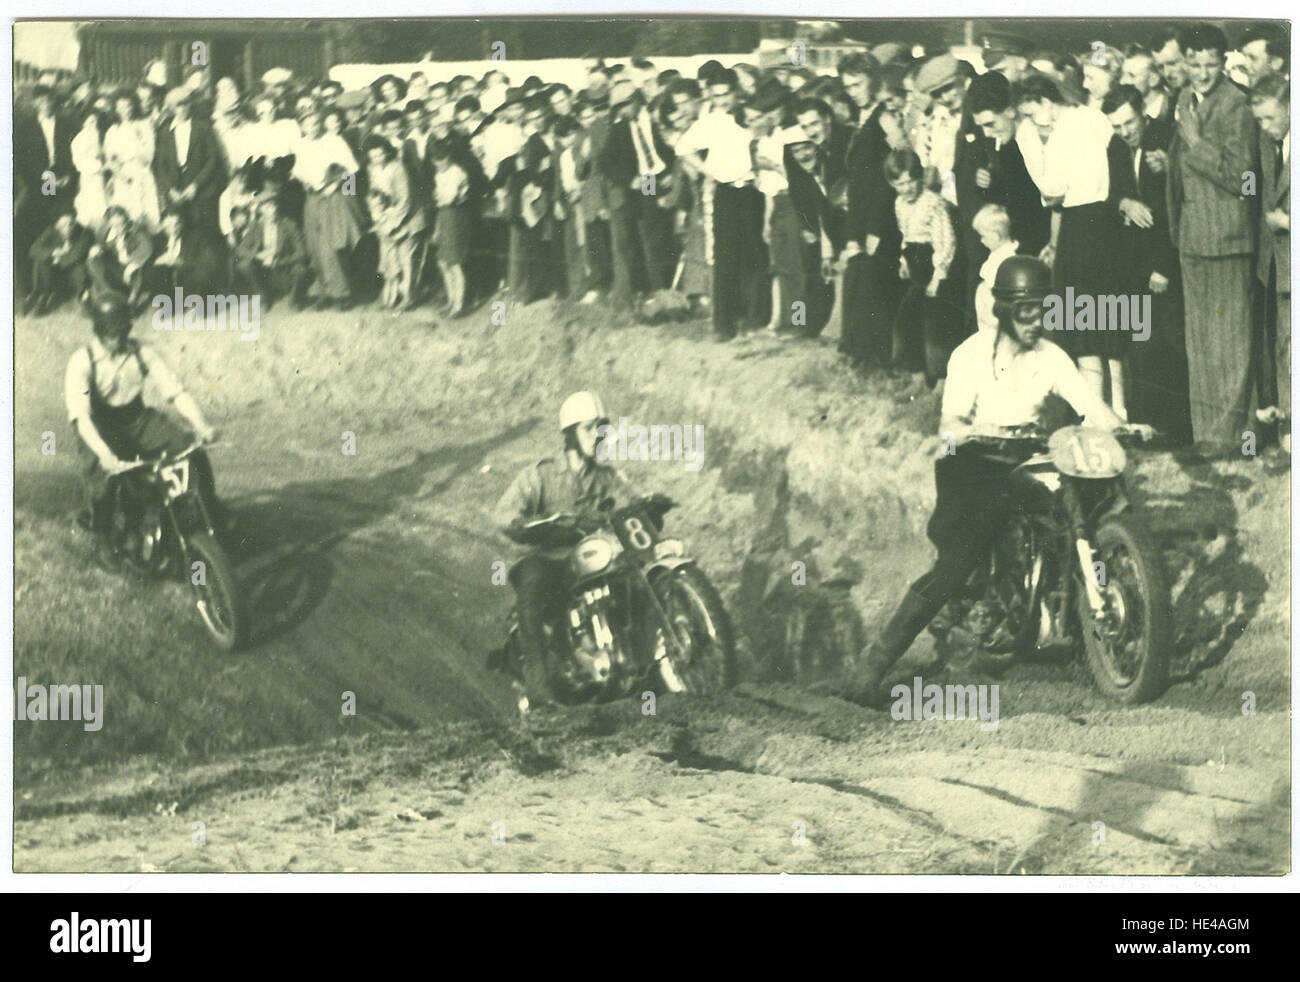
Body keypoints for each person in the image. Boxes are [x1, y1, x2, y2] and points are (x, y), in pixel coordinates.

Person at [817, 258, 1131, 707]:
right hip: (972, 461)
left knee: (1086, 504)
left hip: (1029, 455)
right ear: (1003, 310)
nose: (1035, 320)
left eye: (1042, 309)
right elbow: (950, 423)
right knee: (956, 563)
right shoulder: (969, 356)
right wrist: (968, 433)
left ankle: (1083, 621)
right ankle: (873, 664)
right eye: (1025, 310)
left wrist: (1119, 424)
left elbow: (1089, 405)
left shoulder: (1052, 356)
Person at [493, 391, 634, 707]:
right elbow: (504, 514)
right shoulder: (541, 475)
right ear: (570, 435)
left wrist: (644, 507)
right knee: (533, 586)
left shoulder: (607, 478)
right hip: (548, 558)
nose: (596, 437)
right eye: (588, 429)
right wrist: (534, 525)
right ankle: (540, 687)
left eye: (601, 430)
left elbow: (628, 502)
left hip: (592, 558)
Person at [65, 292, 223, 569]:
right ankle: (103, 539)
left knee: (190, 448)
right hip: (99, 426)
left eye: (125, 329)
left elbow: (175, 392)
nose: (121, 337)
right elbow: (81, 418)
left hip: (137, 418)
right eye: (114, 332)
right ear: (100, 330)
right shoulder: (82, 361)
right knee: (103, 482)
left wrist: (202, 425)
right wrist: (104, 454)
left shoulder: (142, 352)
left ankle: (207, 510)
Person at [1166, 24, 1260, 455]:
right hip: (1192, 240)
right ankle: (1209, 438)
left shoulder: (1238, 105)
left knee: (1230, 346)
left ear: (1223, 64)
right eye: (1194, 63)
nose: (1202, 72)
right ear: (1184, 62)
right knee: (1200, 347)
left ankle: (1229, 440)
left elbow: (1245, 181)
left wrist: (1195, 143)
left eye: (1210, 64)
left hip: (1227, 241)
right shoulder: (1184, 99)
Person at [1250, 72, 1291, 456]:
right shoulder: (1268, 145)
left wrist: (1289, 223)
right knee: (1280, 345)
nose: (1264, 128)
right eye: (1259, 120)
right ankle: (1287, 431)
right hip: (1274, 264)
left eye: (1270, 119)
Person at [27, 208, 93, 315]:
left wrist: (58, 260)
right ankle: (42, 296)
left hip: (74, 270)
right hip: (55, 273)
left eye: (71, 223)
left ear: (75, 222)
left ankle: (84, 300)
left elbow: (77, 254)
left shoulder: (84, 232)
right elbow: (33, 249)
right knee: (40, 261)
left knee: (78, 268)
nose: (68, 228)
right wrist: (55, 252)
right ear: (57, 226)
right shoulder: (51, 231)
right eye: (63, 225)